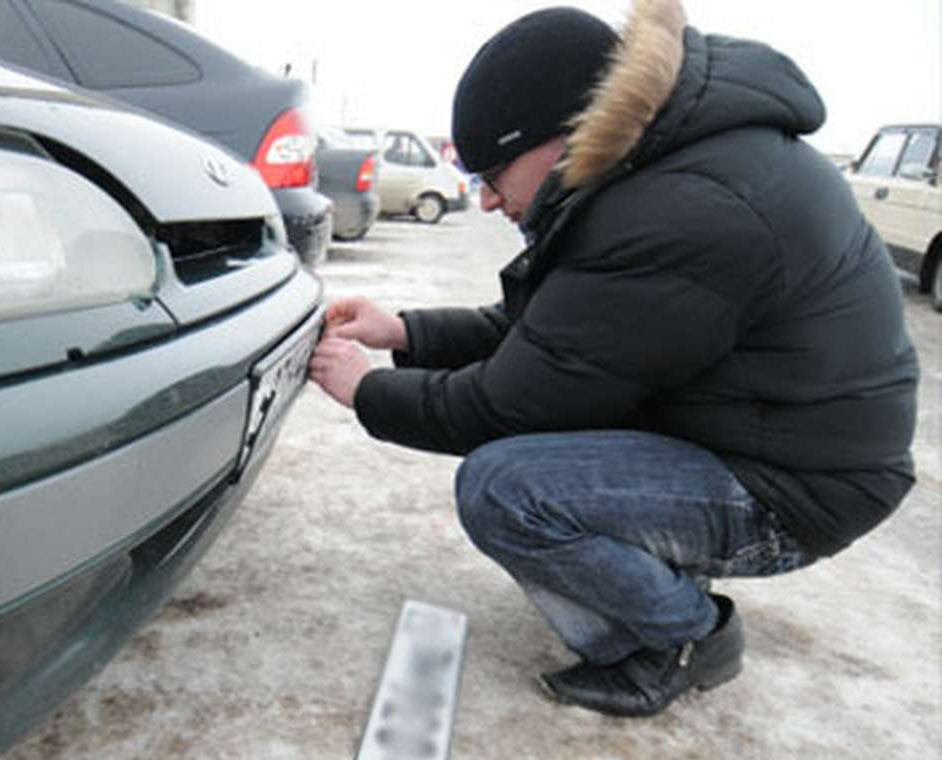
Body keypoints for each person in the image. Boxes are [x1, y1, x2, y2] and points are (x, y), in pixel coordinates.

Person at [307, 0, 919, 717]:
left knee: (506, 487)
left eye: (494, 172)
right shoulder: (665, 169)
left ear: (558, 136)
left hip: (797, 487)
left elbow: (509, 403)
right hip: (768, 441)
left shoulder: (687, 206)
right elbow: (553, 336)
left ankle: (680, 637)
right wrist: (404, 333)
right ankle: (652, 590)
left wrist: (367, 392)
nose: (488, 198)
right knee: (536, 464)